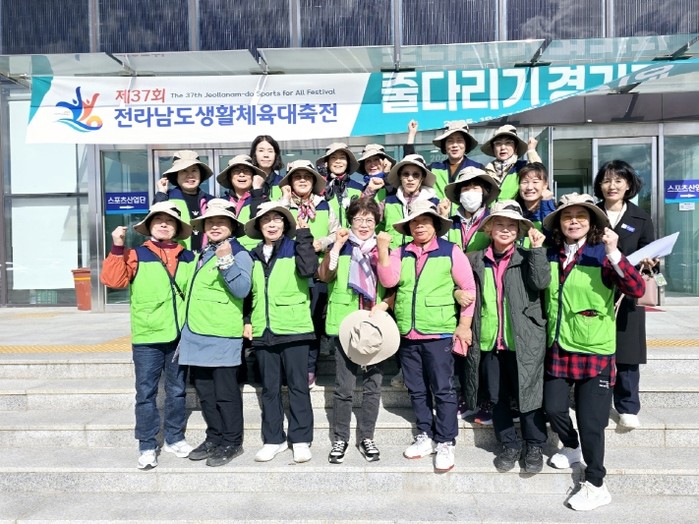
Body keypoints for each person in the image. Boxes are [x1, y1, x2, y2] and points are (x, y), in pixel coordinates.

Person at [541, 193, 645, 511]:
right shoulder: (551, 253)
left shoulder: (602, 254)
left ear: (592, 223)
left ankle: (596, 483)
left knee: (592, 422)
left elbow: (636, 288)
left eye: (581, 216)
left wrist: (614, 252)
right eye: (567, 216)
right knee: (553, 408)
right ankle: (571, 446)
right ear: (559, 223)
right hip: (559, 345)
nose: (573, 221)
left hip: (594, 348)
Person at [377, 200, 476, 473]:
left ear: (435, 225)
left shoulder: (450, 251)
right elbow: (388, 281)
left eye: (425, 221)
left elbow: (468, 288)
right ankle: (425, 434)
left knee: (443, 390)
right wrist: (383, 250)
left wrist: (464, 325)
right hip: (407, 334)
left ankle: (446, 441)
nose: (419, 226)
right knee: (416, 389)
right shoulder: (401, 252)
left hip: (438, 332)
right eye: (414, 222)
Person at [100, 201, 196, 470]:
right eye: (158, 220)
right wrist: (117, 246)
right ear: (150, 226)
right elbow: (114, 281)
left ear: (177, 227)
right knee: (146, 393)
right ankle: (146, 444)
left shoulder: (188, 256)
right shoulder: (135, 254)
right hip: (147, 336)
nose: (164, 224)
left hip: (179, 336)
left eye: (170, 221)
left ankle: (174, 438)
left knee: (177, 391)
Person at [463, 200, 550, 474]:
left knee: (529, 395)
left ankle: (534, 445)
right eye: (499, 223)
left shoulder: (527, 257)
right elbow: (462, 286)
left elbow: (541, 283)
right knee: (497, 396)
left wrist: (537, 251)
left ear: (519, 231)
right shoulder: (474, 259)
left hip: (523, 340)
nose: (505, 229)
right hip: (490, 340)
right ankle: (509, 444)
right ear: (488, 228)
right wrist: (457, 292)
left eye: (512, 226)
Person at [317, 197, 394, 463]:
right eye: (358, 219)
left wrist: (385, 304)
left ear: (376, 223)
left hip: (375, 324)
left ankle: (367, 437)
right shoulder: (342, 247)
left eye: (369, 220)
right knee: (344, 387)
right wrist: (337, 246)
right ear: (350, 221)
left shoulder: (382, 248)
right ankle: (340, 438)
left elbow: (394, 283)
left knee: (373, 385)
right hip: (345, 324)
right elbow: (325, 275)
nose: (363, 224)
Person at [177, 199, 253, 467]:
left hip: (221, 335)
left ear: (232, 226)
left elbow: (242, 290)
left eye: (222, 222)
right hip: (196, 333)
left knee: (226, 394)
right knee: (206, 394)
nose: (215, 226)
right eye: (211, 222)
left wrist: (226, 261)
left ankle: (232, 442)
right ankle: (214, 437)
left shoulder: (239, 254)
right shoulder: (203, 253)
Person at [243, 202, 317, 463]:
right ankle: (273, 439)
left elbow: (309, 270)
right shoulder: (252, 255)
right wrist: (247, 319)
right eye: (266, 220)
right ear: (259, 226)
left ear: (285, 224)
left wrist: (304, 236)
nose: (272, 224)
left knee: (298, 387)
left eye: (277, 219)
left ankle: (301, 439)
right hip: (263, 330)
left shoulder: (296, 247)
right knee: (269, 389)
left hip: (294, 328)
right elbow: (249, 292)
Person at [594, 160, 657, 430]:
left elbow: (651, 250)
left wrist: (652, 261)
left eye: (618, 180)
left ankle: (628, 406)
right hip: (595, 289)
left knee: (628, 350)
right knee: (595, 347)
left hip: (628, 293)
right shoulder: (590, 213)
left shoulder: (640, 217)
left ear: (628, 184)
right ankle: (596, 400)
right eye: (607, 180)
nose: (612, 186)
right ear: (599, 184)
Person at [278, 159, 339, 387]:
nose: (302, 180)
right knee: (291, 320)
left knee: (313, 323)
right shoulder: (283, 205)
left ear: (314, 181)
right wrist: (285, 199)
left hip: (318, 273)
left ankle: (310, 368)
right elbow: (274, 228)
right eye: (297, 177)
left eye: (307, 177)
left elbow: (336, 233)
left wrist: (321, 243)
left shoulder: (324, 205)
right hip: (289, 273)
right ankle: (289, 368)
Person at [154, 150, 215, 252]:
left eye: (194, 170)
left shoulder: (211, 201)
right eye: (184, 171)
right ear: (176, 175)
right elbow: (155, 222)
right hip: (176, 257)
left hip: (206, 258)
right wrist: (161, 193)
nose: (190, 175)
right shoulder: (167, 198)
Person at [405, 119, 482, 199]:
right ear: (444, 145)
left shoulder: (477, 169)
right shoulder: (434, 169)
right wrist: (411, 135)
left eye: (459, 141)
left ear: (466, 144)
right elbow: (410, 164)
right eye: (450, 141)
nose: (455, 145)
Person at [376, 154, 439, 248]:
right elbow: (375, 227)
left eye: (416, 174)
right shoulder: (387, 201)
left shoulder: (434, 202)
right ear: (400, 177)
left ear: (422, 178)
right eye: (406, 174)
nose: (410, 179)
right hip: (393, 254)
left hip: (423, 255)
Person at [443, 166, 501, 253]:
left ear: (484, 192)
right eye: (465, 189)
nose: (470, 192)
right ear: (459, 194)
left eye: (475, 188)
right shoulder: (451, 223)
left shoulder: (491, 221)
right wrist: (443, 218)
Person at [216, 154, 266, 250]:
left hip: (254, 253)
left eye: (246, 171)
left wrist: (257, 191)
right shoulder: (221, 202)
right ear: (230, 177)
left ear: (253, 176)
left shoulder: (262, 199)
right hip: (224, 253)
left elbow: (260, 222)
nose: (242, 174)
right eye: (236, 171)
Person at [480, 125, 541, 202]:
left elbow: (540, 172)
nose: (503, 147)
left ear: (515, 147)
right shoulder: (485, 171)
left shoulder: (522, 167)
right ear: (493, 148)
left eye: (508, 143)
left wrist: (531, 151)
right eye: (498, 143)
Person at [316, 142, 360, 227]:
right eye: (333, 157)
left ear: (348, 162)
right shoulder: (318, 187)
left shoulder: (359, 188)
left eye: (342, 157)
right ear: (327, 163)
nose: (338, 161)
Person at [516, 162, 556, 247]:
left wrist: (546, 204)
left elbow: (553, 239)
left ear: (545, 185)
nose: (529, 187)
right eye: (525, 182)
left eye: (535, 182)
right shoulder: (513, 211)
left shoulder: (553, 210)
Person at [249, 135, 285, 203]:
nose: (266, 155)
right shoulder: (247, 181)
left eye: (270, 151)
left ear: (275, 154)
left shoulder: (282, 183)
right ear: (254, 154)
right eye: (261, 150)